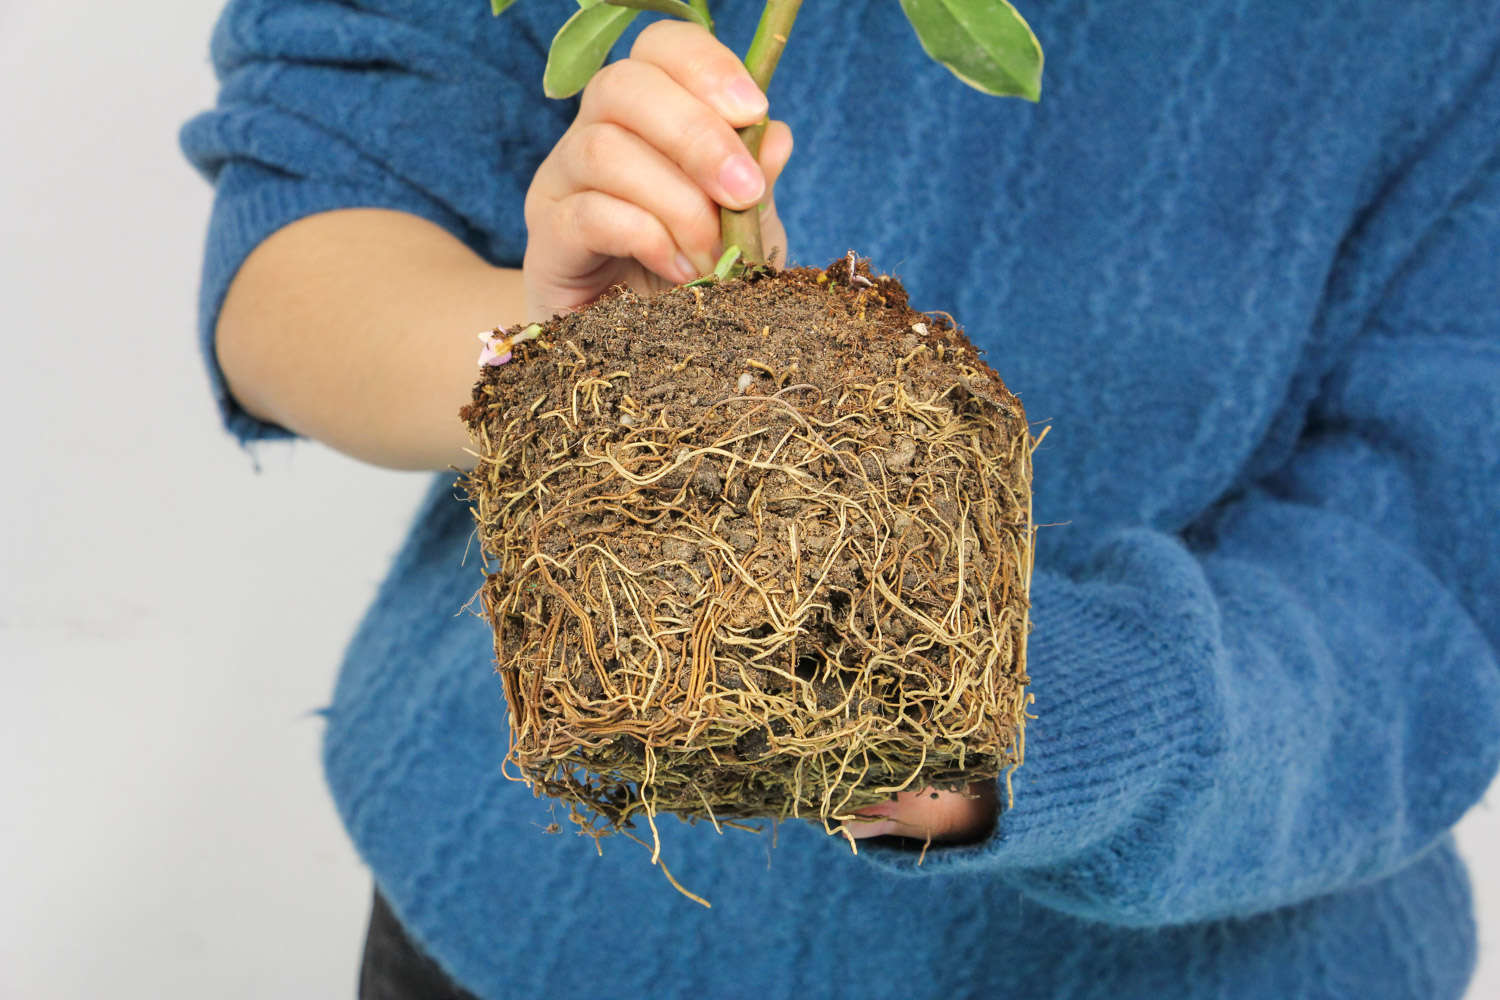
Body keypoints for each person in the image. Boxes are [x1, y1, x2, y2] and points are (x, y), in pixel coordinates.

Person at [181, 2, 1500, 997]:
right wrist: (567, 365)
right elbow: (311, 204)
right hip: (517, 918)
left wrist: (999, 719)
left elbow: (1428, 599)